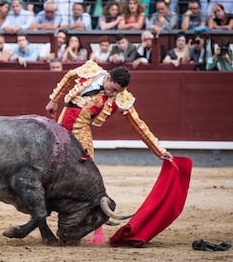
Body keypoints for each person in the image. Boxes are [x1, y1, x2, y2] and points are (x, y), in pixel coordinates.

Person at [45, 60, 173, 244]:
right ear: (108, 78)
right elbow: (69, 76)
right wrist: (54, 99)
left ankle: (97, 233)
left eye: (117, 92)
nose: (112, 94)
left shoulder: (122, 98)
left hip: (81, 135)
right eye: (112, 89)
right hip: (60, 128)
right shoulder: (91, 71)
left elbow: (138, 125)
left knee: (88, 182)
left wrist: (159, 150)